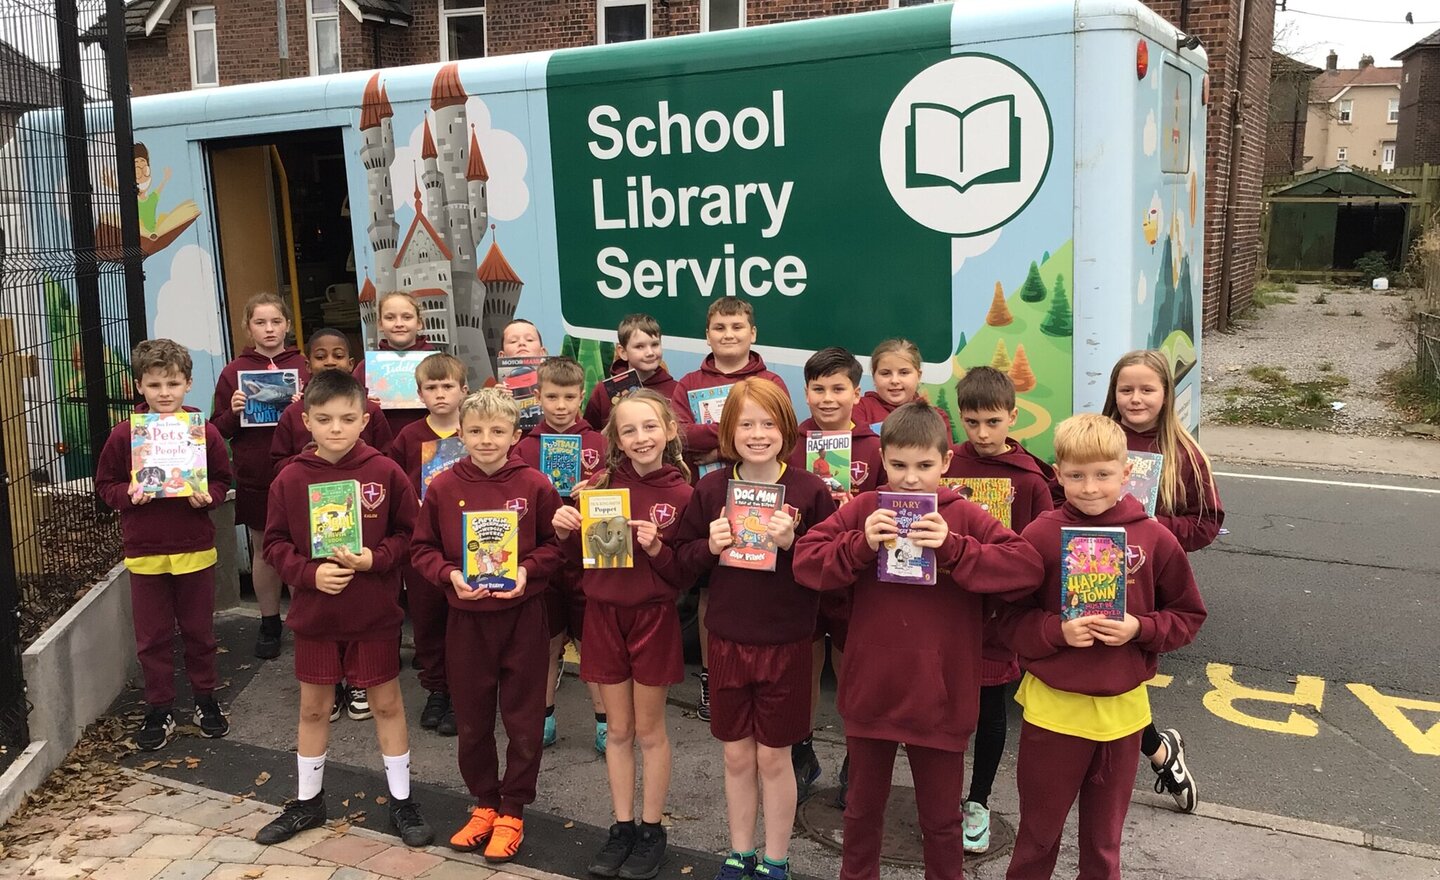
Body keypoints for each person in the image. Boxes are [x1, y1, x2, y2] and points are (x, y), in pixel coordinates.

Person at [791, 402, 1044, 880]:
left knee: (942, 820)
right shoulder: (866, 508)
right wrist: (859, 545)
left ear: (946, 462)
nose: (910, 479)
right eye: (900, 465)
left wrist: (954, 548)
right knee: (862, 812)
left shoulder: (963, 515)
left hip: (941, 694)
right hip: (872, 690)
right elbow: (805, 562)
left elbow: (1027, 567)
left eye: (925, 466)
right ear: (883, 459)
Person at [996, 413, 1207, 879]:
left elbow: (1188, 615)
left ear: (1126, 473)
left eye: (1102, 475)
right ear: (1057, 474)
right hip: (1054, 712)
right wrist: (1055, 630)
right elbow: (1006, 618)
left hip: (1123, 715)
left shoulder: (1154, 538)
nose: (1089, 488)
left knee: (1103, 845)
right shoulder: (1039, 536)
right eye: (1075, 476)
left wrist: (1141, 628)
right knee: (1037, 839)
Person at [255, 370, 433, 848]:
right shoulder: (290, 478)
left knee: (387, 704)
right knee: (313, 710)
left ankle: (402, 801)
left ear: (365, 419)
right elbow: (273, 544)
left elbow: (410, 534)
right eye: (325, 419)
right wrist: (309, 574)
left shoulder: (384, 471)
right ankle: (308, 802)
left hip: (373, 613)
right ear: (306, 421)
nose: (336, 428)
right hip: (316, 616)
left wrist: (376, 559)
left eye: (348, 418)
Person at [673, 379, 835, 880]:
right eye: (746, 423)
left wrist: (797, 543)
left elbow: (832, 571)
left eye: (768, 423)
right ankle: (739, 852)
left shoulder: (810, 491)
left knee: (774, 758)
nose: (757, 433)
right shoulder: (710, 489)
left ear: (786, 429)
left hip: (786, 643)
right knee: (737, 756)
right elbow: (680, 564)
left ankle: (776, 859)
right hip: (725, 639)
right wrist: (710, 547)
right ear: (729, 431)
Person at [410, 388, 564, 863]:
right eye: (475, 431)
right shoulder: (442, 487)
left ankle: (514, 808)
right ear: (461, 433)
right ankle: (484, 802)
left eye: (498, 431)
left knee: (522, 719)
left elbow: (554, 549)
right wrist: (450, 576)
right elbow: (422, 550)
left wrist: (525, 572)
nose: (486, 439)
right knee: (473, 720)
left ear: (516, 435)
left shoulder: (536, 485)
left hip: (522, 618)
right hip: (466, 619)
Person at [552, 389, 693, 880]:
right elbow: (576, 564)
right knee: (618, 730)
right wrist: (566, 530)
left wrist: (657, 547)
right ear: (615, 438)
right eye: (628, 429)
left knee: (650, 731)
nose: (641, 437)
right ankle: (623, 826)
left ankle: (652, 829)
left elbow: (685, 577)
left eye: (650, 426)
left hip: (653, 620)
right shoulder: (599, 486)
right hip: (603, 617)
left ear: (670, 431)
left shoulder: (683, 496)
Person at [95, 339, 233, 751]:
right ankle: (160, 706)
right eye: (154, 385)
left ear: (188, 384)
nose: (164, 393)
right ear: (139, 386)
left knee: (199, 631)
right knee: (152, 637)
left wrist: (208, 495)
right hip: (146, 551)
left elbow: (224, 480)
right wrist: (128, 495)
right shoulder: (125, 435)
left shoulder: (202, 430)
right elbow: (106, 484)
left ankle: (206, 699)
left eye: (173, 383)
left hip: (194, 547)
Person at [1103, 349, 1224, 812]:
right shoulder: (1097, 439)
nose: (1136, 398)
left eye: (1147, 389)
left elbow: (1208, 522)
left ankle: (1156, 754)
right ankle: (1154, 752)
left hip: (1145, 587)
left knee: (1123, 677)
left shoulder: (1183, 453)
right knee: (1099, 674)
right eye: (1126, 389)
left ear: (1165, 395)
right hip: (1088, 573)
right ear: (1113, 394)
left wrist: (1151, 529)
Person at [944, 366, 1057, 853]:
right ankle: (943, 794)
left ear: (1014, 416)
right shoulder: (945, 463)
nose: (983, 433)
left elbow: (1036, 555)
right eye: (972, 422)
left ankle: (978, 800)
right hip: (947, 607)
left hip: (996, 615)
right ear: (960, 418)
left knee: (991, 710)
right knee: (947, 708)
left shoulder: (1031, 479)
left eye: (993, 421)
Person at [671, 298, 788, 721]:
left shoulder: (771, 379)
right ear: (707, 334)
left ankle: (762, 673)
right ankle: (709, 677)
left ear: (753, 332)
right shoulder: (688, 382)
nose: (728, 334)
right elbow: (680, 436)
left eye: (737, 326)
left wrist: (715, 443)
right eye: (719, 327)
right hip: (710, 505)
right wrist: (722, 438)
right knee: (708, 591)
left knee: (757, 584)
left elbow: (779, 433)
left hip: (762, 499)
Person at [784, 347, 884, 806]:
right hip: (800, 575)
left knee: (851, 669)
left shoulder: (876, 447)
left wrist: (860, 510)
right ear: (805, 392)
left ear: (857, 394)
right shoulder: (791, 444)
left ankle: (854, 758)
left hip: (854, 579)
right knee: (803, 667)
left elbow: (893, 500)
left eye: (838, 389)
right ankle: (801, 754)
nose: (827, 399)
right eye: (818, 389)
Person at [514, 357, 608, 751]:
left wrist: (599, 490)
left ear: (582, 396)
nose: (560, 405)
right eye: (551, 396)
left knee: (592, 646)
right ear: (538, 397)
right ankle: (545, 717)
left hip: (589, 562)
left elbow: (619, 502)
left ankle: (605, 723)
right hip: (545, 563)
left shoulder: (600, 443)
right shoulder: (522, 447)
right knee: (548, 643)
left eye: (569, 397)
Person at [210, 293, 309, 660]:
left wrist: (304, 406)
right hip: (257, 472)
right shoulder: (233, 371)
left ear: (287, 324)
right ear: (248, 327)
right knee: (264, 549)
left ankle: (304, 621)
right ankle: (269, 622)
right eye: (260, 323)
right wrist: (235, 411)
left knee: (302, 548)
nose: (269, 330)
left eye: (276, 322)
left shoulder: (303, 365)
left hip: (302, 469)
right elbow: (217, 428)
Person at [387, 353, 470, 737]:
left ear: (463, 390)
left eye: (447, 386)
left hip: (466, 544)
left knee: (462, 621)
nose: (440, 394)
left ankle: (461, 694)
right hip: (422, 547)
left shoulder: (472, 433)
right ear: (419, 394)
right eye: (432, 388)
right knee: (427, 619)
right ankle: (436, 689)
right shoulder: (408, 437)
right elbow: (396, 486)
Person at [354, 291, 437, 437]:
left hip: (428, 443)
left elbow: (459, 401)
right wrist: (363, 403)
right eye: (390, 318)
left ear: (419, 323)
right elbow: (348, 407)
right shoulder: (366, 367)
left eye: (407, 317)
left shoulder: (439, 363)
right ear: (380, 324)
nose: (399, 324)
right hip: (381, 444)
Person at [584, 313, 677, 429]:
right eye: (639, 346)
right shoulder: (603, 391)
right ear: (622, 352)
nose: (650, 353)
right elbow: (589, 434)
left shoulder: (676, 390)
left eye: (655, 345)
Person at [851, 338, 952, 437]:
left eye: (904, 373)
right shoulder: (858, 409)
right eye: (885, 373)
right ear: (874, 376)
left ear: (919, 375)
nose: (894, 380)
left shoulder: (936, 417)